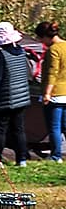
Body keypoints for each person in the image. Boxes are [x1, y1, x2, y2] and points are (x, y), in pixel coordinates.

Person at [0, 21, 36, 172]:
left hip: (6, 97)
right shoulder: (21, 51)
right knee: (19, 129)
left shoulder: (2, 55)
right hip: (22, 96)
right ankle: (22, 159)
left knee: (0, 129)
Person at [39, 21, 66, 161]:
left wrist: (47, 93)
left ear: (46, 36)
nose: (41, 42)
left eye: (41, 38)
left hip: (56, 93)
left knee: (54, 127)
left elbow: (52, 73)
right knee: (64, 126)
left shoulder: (53, 50)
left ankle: (56, 155)